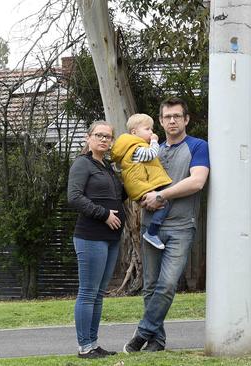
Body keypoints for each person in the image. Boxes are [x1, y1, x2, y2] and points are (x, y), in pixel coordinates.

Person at [123, 97, 210, 353]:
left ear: (186, 119)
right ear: (160, 121)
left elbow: (197, 182)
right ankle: (156, 341)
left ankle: (142, 333)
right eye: (167, 117)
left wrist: (161, 195)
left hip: (182, 227)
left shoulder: (198, 146)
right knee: (150, 286)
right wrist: (141, 197)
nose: (172, 121)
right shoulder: (153, 149)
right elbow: (135, 178)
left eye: (177, 116)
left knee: (168, 283)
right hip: (152, 227)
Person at [67, 120, 126, 359]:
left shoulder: (109, 167)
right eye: (99, 135)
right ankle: (84, 347)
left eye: (108, 137)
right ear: (88, 138)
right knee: (88, 292)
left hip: (111, 237)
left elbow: (122, 195)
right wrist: (103, 215)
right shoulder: (83, 163)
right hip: (91, 235)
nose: (104, 139)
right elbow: (74, 197)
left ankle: (93, 343)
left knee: (99, 293)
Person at [110, 113, 172, 250]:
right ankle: (152, 232)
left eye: (151, 129)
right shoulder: (136, 149)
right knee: (164, 203)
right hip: (140, 187)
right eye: (147, 129)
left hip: (139, 186)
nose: (151, 132)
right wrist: (155, 142)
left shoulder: (129, 148)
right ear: (134, 132)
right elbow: (151, 154)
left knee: (160, 203)